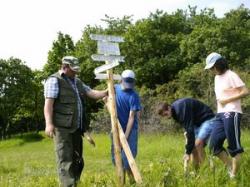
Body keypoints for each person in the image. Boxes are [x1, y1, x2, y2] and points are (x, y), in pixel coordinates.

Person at [44, 56, 107, 187]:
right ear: (65, 67)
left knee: (78, 160)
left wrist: (107, 91)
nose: (76, 72)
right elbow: (48, 105)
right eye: (73, 70)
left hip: (77, 128)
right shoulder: (54, 80)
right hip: (62, 129)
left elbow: (91, 93)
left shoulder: (77, 81)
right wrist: (49, 124)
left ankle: (75, 183)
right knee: (66, 161)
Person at [204, 52, 249, 178]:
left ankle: (234, 176)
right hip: (220, 114)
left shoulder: (231, 75)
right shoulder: (216, 78)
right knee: (214, 145)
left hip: (232, 112)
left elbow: (245, 91)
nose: (212, 70)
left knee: (234, 146)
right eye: (211, 68)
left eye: (213, 67)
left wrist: (227, 100)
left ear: (220, 64)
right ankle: (230, 167)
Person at [104, 69, 141, 183]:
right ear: (121, 80)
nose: (129, 85)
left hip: (130, 129)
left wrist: (124, 136)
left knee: (129, 156)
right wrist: (106, 103)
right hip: (116, 128)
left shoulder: (134, 96)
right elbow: (106, 101)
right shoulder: (114, 89)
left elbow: (132, 117)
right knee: (116, 156)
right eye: (127, 82)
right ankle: (122, 181)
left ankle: (132, 181)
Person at [157, 98, 216, 168]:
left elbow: (190, 130)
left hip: (207, 119)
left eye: (166, 114)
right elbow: (188, 128)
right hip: (197, 123)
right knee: (193, 148)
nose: (166, 117)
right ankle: (196, 171)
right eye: (164, 116)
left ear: (169, 108)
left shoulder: (180, 110)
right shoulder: (175, 113)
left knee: (198, 144)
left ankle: (207, 169)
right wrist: (188, 149)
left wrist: (187, 153)